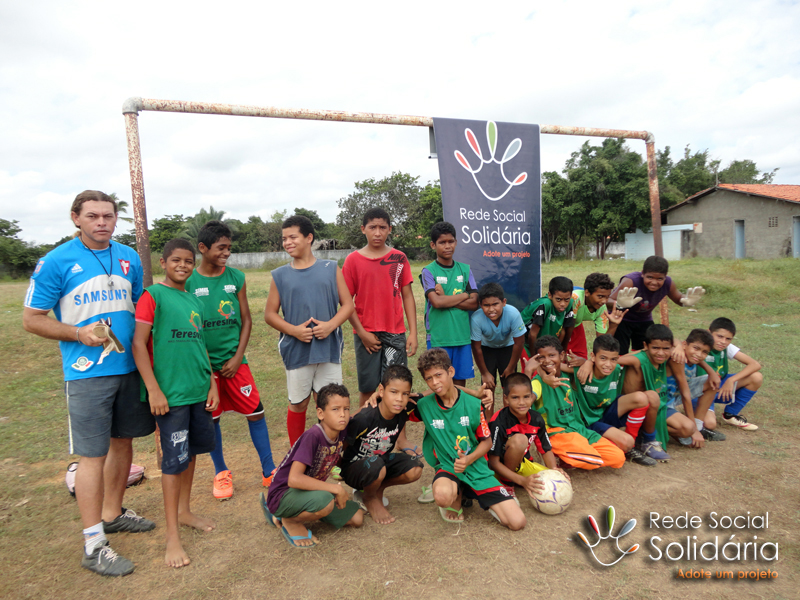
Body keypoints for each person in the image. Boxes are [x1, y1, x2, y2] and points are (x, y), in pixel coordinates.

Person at [22, 190, 155, 577]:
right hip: (86, 373)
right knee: (92, 456)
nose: (102, 222)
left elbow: (137, 308)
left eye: (109, 216)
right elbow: (32, 318)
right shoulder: (56, 261)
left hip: (129, 369)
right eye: (93, 215)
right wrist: (77, 334)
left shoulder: (129, 257)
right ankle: (93, 542)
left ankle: (112, 513)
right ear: (75, 218)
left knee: (123, 442)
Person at [132, 238, 220, 569]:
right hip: (171, 397)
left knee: (193, 453)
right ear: (164, 262)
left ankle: (184, 511)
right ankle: (172, 536)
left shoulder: (190, 299)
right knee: (173, 463)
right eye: (176, 260)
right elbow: (139, 344)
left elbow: (199, 345)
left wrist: (211, 382)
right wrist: (153, 389)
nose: (182, 265)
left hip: (199, 391)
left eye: (188, 261)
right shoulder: (153, 295)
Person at [186, 220, 275, 500]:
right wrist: (204, 364)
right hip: (204, 368)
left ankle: (269, 470)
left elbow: (246, 319)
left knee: (256, 412)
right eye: (220, 248)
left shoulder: (236, 277)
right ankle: (221, 472)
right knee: (212, 419)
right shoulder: (188, 280)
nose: (226, 253)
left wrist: (238, 357)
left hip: (235, 363)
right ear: (203, 248)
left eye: (229, 248)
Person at [410, 348, 526, 530]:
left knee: (517, 522)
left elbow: (487, 442)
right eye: (429, 378)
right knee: (441, 495)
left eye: (439, 375)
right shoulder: (424, 406)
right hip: (448, 468)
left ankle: (472, 493)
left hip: (476, 468)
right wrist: (378, 396)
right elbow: (396, 404)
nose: (434, 382)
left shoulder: (473, 405)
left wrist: (468, 459)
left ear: (451, 372)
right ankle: (456, 495)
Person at [265, 215, 354, 447]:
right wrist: (294, 331)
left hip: (328, 350)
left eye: (293, 237)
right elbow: (270, 315)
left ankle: (330, 454)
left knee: (331, 404)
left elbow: (348, 305)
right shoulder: (280, 275)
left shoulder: (331, 268)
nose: (287, 242)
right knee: (298, 404)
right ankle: (296, 457)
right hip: (297, 351)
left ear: (309, 238)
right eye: (284, 238)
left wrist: (330, 325)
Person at [261, 383, 364, 548]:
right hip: (284, 494)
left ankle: (306, 511)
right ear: (320, 413)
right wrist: (335, 489)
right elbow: (294, 479)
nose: (343, 415)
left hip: (307, 493)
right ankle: (290, 520)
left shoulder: (341, 429)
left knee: (357, 517)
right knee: (326, 501)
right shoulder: (313, 436)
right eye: (336, 409)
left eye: (346, 409)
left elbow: (362, 413)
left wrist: (374, 399)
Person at [342, 208, 417, 407]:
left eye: (382, 227)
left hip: (395, 332)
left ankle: (399, 438)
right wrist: (362, 332)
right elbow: (346, 302)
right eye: (372, 227)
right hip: (366, 333)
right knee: (367, 389)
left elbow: (407, 296)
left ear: (390, 229)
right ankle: (364, 435)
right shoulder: (352, 260)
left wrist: (413, 333)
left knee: (397, 388)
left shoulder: (399, 258)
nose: (377, 232)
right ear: (363, 229)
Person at [524, 336, 625, 470]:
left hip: (578, 428)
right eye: (541, 357)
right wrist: (528, 371)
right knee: (592, 460)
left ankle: (572, 454)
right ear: (537, 360)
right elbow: (524, 401)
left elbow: (594, 366)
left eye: (551, 355)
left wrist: (587, 362)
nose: (547, 360)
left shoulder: (570, 377)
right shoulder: (538, 382)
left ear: (561, 356)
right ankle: (552, 450)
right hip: (556, 432)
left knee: (618, 458)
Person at [340, 365, 423, 524]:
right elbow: (340, 446)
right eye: (394, 392)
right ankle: (369, 498)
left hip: (379, 463)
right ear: (381, 390)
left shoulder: (404, 408)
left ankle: (376, 488)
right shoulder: (365, 418)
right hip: (354, 468)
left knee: (415, 467)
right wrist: (338, 469)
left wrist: (475, 393)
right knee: (377, 464)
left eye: (404, 393)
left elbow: (438, 390)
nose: (399, 399)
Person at [571, 335, 658, 467]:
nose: (608, 364)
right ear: (593, 356)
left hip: (607, 411)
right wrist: (586, 362)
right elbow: (554, 366)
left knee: (641, 398)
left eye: (613, 359)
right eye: (603, 358)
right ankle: (618, 443)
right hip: (590, 421)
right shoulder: (582, 371)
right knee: (625, 441)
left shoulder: (616, 368)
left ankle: (632, 445)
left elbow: (641, 353)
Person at [486, 372, 570, 499]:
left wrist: (553, 468)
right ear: (506, 399)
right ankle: (506, 483)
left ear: (532, 396)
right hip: (497, 470)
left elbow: (545, 449)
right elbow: (493, 462)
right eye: (515, 398)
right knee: (520, 440)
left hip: (522, 464)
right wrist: (521, 481)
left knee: (555, 481)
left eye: (526, 397)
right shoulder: (498, 421)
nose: (522, 402)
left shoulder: (536, 419)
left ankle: (516, 478)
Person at [608, 255, 706, 354]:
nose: (654, 282)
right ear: (642, 273)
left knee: (647, 351)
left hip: (643, 319)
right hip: (621, 319)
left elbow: (679, 298)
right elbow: (607, 300)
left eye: (659, 279)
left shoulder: (668, 283)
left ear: (665, 276)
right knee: (619, 351)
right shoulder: (631, 281)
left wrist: (687, 301)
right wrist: (619, 304)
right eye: (650, 277)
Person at [420, 221, 478, 386]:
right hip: (439, 338)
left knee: (460, 385)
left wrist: (446, 298)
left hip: (462, 337)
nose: (447, 246)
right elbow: (437, 302)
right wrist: (464, 295)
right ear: (433, 245)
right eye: (442, 242)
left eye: (450, 241)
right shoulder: (428, 271)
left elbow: (474, 303)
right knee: (440, 384)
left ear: (456, 242)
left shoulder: (465, 270)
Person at [617, 324, 685, 462]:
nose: (661, 353)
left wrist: (678, 346)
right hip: (633, 407)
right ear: (646, 346)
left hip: (656, 408)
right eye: (655, 348)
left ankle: (642, 432)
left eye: (666, 348)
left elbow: (680, 342)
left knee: (687, 429)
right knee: (652, 397)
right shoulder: (638, 359)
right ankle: (648, 440)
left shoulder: (670, 356)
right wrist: (588, 363)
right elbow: (613, 359)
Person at [695, 318, 762, 431]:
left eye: (728, 339)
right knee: (710, 425)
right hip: (700, 391)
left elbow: (755, 364)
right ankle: (691, 412)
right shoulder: (697, 347)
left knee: (756, 377)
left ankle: (730, 415)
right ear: (708, 332)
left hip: (719, 387)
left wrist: (730, 381)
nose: (723, 342)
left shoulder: (726, 347)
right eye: (719, 336)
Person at [665, 328, 727, 445]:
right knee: (687, 434)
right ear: (684, 345)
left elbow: (697, 357)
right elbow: (685, 393)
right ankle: (650, 428)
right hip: (663, 402)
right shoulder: (678, 358)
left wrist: (712, 373)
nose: (699, 354)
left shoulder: (692, 356)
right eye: (696, 348)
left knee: (713, 382)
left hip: (674, 397)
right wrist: (692, 429)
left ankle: (698, 427)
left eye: (705, 352)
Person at [470, 283, 526, 404]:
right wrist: (484, 373)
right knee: (488, 387)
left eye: (495, 304)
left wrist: (511, 368)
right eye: (486, 305)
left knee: (509, 387)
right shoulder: (476, 318)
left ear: (504, 302)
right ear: (480, 305)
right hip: (487, 350)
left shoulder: (513, 314)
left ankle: (508, 420)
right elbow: (476, 347)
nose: (491, 309)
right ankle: (489, 422)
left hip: (508, 348)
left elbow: (519, 342)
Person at [565, 273, 627, 363]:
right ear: (587, 293)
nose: (604, 301)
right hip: (559, 325)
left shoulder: (602, 309)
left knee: (581, 359)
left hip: (575, 326)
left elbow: (603, 342)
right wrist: (562, 350)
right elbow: (568, 325)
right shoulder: (575, 298)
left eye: (607, 297)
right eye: (600, 296)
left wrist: (614, 324)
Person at [521, 276, 576, 355]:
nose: (563, 304)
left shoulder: (570, 303)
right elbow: (532, 335)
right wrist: (534, 357)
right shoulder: (545, 305)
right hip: (526, 343)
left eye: (566, 299)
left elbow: (563, 332)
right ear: (550, 295)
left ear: (570, 295)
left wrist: (561, 352)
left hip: (544, 343)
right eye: (558, 299)